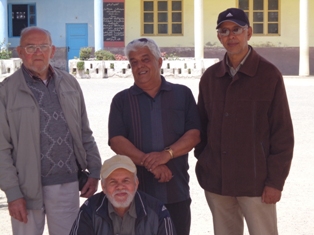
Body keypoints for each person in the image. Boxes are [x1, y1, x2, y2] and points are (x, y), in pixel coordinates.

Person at [195, 8, 294, 235]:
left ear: (248, 33)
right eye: (224, 31)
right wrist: (208, 161)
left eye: (237, 30)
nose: (231, 36)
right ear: (219, 36)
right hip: (218, 183)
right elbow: (201, 126)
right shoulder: (210, 77)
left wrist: (275, 182)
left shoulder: (269, 75)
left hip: (256, 184)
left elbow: (283, 134)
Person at [0, 26, 101, 235]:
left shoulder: (70, 84)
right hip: (26, 189)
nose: (38, 52)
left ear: (52, 50)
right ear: (19, 52)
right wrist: (12, 193)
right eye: (30, 47)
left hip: (67, 184)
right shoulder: (6, 91)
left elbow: (84, 132)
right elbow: (1, 148)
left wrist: (95, 170)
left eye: (43, 46)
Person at [108, 38, 200, 235]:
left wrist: (166, 155)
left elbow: (194, 134)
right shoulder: (121, 100)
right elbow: (116, 140)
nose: (140, 65)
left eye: (145, 59)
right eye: (134, 62)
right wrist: (151, 162)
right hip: (135, 196)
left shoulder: (182, 94)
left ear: (159, 61)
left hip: (176, 190)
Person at [70, 154, 176, 235]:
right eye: (113, 182)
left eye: (126, 181)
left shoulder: (157, 211)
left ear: (136, 183)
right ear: (103, 187)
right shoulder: (90, 210)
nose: (120, 187)